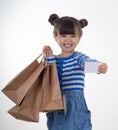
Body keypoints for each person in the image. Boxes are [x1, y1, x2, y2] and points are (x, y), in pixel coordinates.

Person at [43, 13, 108, 130]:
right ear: (56, 37)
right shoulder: (53, 59)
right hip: (55, 103)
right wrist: (49, 57)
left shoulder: (78, 58)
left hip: (74, 105)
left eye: (73, 36)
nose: (68, 39)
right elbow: (47, 76)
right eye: (63, 35)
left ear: (79, 38)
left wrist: (98, 67)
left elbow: (86, 63)